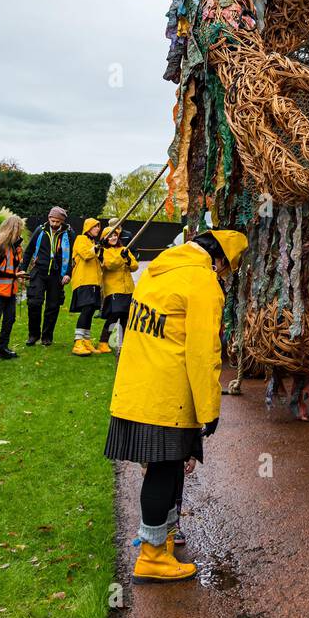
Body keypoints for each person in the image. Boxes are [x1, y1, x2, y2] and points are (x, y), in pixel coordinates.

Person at [105, 228, 248, 583]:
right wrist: (210, 410)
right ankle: (152, 557)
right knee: (163, 470)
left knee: (161, 468)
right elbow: (203, 355)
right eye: (226, 269)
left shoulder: (159, 271)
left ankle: (161, 542)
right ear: (220, 261)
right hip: (168, 394)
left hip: (137, 387)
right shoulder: (202, 282)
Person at [24, 206, 72, 347]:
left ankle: (47, 337)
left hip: (57, 275)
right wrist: (22, 269)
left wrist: (68, 273)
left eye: (57, 221)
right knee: (34, 303)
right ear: (49, 218)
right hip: (39, 272)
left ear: (62, 221)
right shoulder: (41, 231)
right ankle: (33, 335)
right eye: (52, 220)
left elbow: (72, 255)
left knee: (53, 306)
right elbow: (28, 251)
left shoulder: (68, 234)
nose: (54, 224)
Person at [0, 214, 25, 362]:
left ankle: (3, 349)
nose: (20, 232)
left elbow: (12, 266)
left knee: (10, 319)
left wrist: (17, 275)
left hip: (10, 290)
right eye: (19, 229)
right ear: (13, 229)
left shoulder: (15, 246)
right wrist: (15, 275)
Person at [99, 223, 139, 351]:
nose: (113, 238)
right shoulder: (104, 251)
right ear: (105, 238)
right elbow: (110, 265)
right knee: (114, 314)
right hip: (113, 287)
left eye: (115, 235)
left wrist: (127, 258)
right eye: (110, 236)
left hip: (128, 287)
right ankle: (103, 341)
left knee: (126, 315)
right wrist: (122, 257)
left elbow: (134, 266)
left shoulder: (123, 249)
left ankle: (122, 342)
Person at [69, 218, 104, 356]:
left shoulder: (94, 243)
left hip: (94, 281)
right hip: (83, 280)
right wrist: (96, 247)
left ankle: (86, 340)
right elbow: (86, 255)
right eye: (95, 227)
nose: (97, 229)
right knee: (87, 309)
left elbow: (100, 260)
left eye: (98, 227)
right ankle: (78, 341)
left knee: (90, 310)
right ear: (88, 227)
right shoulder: (81, 239)